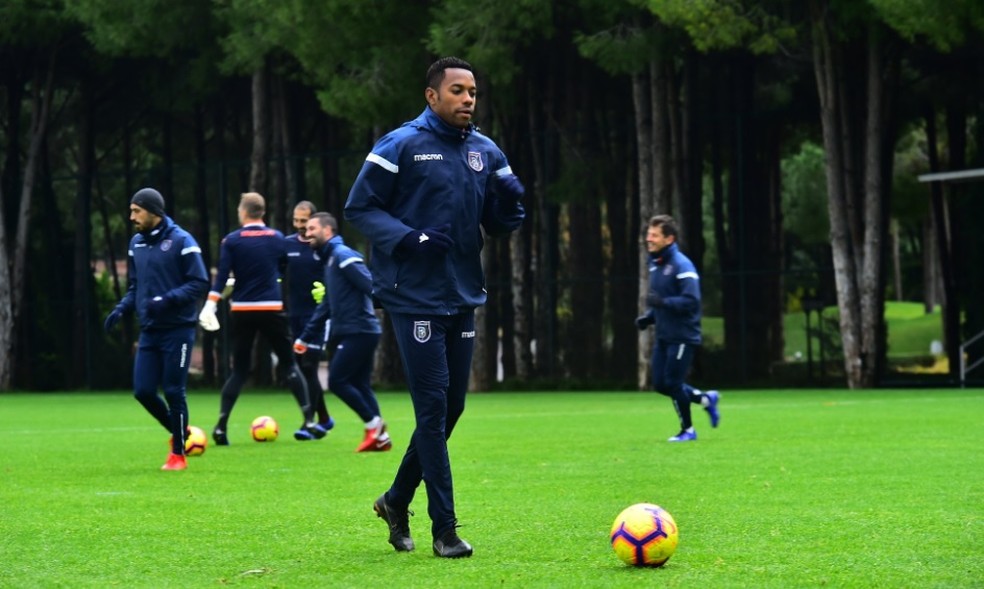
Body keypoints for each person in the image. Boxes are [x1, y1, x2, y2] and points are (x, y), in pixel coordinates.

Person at [344, 56, 525, 558]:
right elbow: (359, 208)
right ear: (432, 96)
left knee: (451, 408)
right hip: (413, 296)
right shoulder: (399, 145)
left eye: (473, 92)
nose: (468, 99)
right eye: (458, 91)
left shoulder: (486, 152)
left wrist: (512, 201)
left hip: (462, 294)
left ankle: (395, 499)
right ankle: (444, 530)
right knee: (432, 409)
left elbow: (503, 222)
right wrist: (409, 238)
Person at [198, 192, 325, 444]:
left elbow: (223, 276)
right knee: (289, 364)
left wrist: (210, 305)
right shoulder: (277, 238)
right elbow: (280, 269)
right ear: (262, 213)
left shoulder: (232, 241)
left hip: (243, 309)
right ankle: (309, 420)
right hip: (271, 308)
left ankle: (222, 426)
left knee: (240, 370)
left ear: (243, 212)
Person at [104, 188, 210, 471]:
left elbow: (199, 283)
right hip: (150, 331)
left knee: (174, 390)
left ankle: (178, 454)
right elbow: (135, 287)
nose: (131, 217)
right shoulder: (136, 243)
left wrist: (167, 300)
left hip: (179, 329)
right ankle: (182, 432)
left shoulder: (182, 241)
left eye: (136, 211)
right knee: (143, 391)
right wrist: (122, 308)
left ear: (153, 211)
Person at [292, 212, 391, 453]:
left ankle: (374, 425)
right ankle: (381, 438)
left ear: (328, 231)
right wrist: (305, 337)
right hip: (355, 330)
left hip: (359, 330)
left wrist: (396, 305)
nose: (307, 232)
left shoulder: (343, 255)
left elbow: (371, 286)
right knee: (360, 384)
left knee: (338, 381)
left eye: (313, 228)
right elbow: (326, 305)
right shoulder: (329, 260)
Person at [635, 214, 720, 442]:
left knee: (673, 383)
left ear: (669, 239)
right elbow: (663, 302)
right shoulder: (655, 264)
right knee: (661, 384)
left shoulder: (682, 265)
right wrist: (649, 318)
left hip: (683, 335)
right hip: (664, 335)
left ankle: (688, 431)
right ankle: (706, 400)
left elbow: (691, 301)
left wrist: (662, 304)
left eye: (654, 235)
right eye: (648, 234)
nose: (649, 239)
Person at [284, 200, 334, 432]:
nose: (299, 225)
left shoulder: (323, 248)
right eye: (296, 220)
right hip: (293, 315)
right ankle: (323, 417)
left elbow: (333, 275)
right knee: (301, 369)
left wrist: (327, 291)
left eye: (304, 221)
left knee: (310, 365)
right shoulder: (286, 245)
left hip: (317, 316)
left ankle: (309, 422)